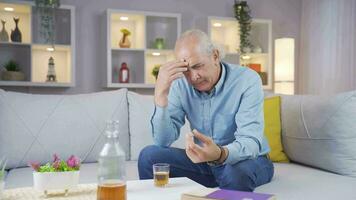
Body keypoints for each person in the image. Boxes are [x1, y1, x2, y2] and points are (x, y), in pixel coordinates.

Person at [138, 29, 274, 191]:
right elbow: (162, 141)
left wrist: (220, 154)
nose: (193, 76)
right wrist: (160, 96)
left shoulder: (247, 80)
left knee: (235, 173)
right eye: (186, 70)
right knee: (149, 156)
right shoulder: (180, 86)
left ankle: (224, 180)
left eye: (198, 66)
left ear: (215, 56)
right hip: (205, 162)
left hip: (247, 160)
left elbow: (250, 142)